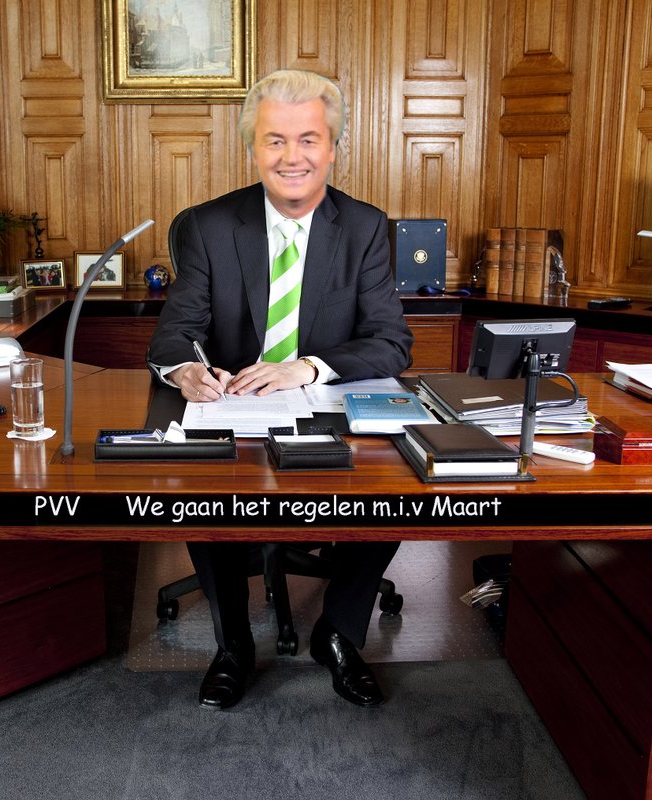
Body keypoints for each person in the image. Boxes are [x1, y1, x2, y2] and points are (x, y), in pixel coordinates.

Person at [147, 69, 413, 709]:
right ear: (252, 149)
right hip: (233, 406)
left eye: (308, 139)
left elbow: (391, 342)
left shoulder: (366, 227)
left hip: (326, 405)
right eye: (275, 140)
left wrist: (308, 367)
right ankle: (232, 644)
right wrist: (185, 370)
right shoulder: (210, 226)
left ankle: (339, 633)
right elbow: (173, 334)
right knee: (202, 488)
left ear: (333, 147)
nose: (292, 157)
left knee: (399, 481)